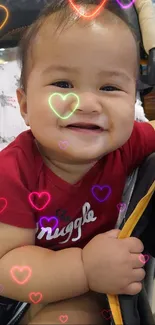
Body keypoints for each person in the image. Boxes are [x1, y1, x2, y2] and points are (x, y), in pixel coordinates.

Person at [0, 0, 155, 324]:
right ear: (25, 106)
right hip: (35, 293)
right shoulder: (13, 172)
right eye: (63, 84)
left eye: (110, 87)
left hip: (113, 278)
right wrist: (84, 268)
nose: (86, 103)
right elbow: (7, 266)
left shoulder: (126, 144)